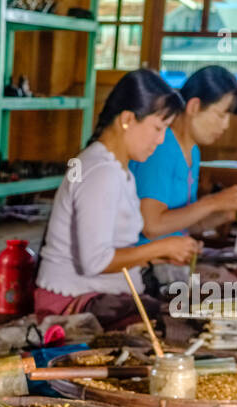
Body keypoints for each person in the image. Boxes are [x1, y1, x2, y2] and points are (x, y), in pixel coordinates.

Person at [34, 69, 200, 327]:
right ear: (127, 119)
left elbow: (110, 249)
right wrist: (160, 247)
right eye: (158, 127)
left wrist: (157, 256)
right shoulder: (101, 172)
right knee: (179, 324)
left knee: (187, 313)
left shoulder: (115, 168)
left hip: (97, 294)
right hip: (72, 303)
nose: (160, 140)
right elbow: (96, 262)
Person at [132, 66, 237, 243]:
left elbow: (183, 224)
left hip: (169, 263)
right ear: (194, 106)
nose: (225, 125)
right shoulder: (160, 147)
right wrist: (213, 202)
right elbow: (151, 226)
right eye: (220, 115)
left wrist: (229, 214)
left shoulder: (192, 151)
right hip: (143, 267)